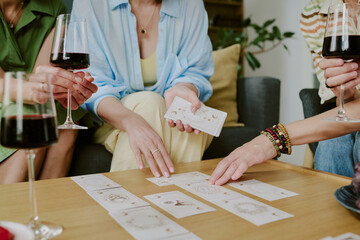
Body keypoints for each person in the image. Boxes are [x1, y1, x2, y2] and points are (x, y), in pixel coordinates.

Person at [71, 0, 214, 178]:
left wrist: (184, 88)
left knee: (188, 118)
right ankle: (182, 203)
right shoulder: (91, 3)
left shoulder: (191, 4)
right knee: (150, 103)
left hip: (168, 114)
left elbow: (195, 69)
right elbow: (91, 83)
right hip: (111, 117)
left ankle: (126, 203)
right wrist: (131, 121)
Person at [0, 0, 98, 184]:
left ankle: (44, 206)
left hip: (34, 95)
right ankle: (10, 206)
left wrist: (64, 85)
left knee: (64, 113)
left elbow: (42, 74)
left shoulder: (53, 8)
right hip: (6, 97)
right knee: (34, 118)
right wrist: (34, 89)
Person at [300, 0, 360, 177]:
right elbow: (329, 77)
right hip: (346, 104)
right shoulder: (313, 11)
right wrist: (347, 93)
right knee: (331, 144)